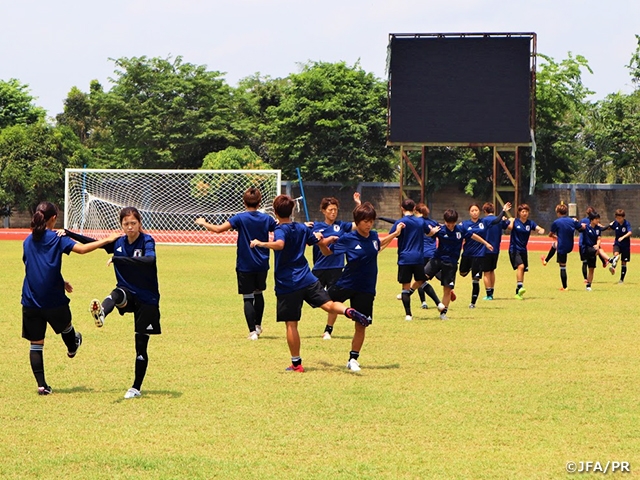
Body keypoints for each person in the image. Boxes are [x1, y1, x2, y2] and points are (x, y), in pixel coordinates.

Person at [249, 195, 371, 373]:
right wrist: (329, 240)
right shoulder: (301, 227)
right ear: (292, 211)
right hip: (307, 277)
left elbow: (280, 244)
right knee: (329, 305)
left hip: (288, 283)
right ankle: (348, 311)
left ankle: (296, 364)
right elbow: (319, 241)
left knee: (291, 324)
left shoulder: (280, 229)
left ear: (275, 212)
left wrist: (262, 243)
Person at [21, 201, 119, 395]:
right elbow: (82, 249)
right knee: (66, 326)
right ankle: (73, 345)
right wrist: (108, 240)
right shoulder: (57, 238)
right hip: (53, 299)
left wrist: (61, 280)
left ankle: (41, 386)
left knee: (36, 343)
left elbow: (34, 267)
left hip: (30, 299)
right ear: (54, 218)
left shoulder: (27, 240)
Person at [85, 206, 162, 399]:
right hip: (128, 293)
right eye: (126, 224)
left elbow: (149, 261)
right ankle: (102, 312)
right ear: (121, 225)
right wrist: (67, 234)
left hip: (147, 298)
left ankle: (136, 387)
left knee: (141, 344)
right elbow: (92, 243)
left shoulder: (147, 240)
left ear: (139, 224)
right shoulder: (119, 242)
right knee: (117, 293)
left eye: (133, 223)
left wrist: (119, 260)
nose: (130, 227)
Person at [317, 202, 403, 371]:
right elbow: (328, 251)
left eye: (371, 221)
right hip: (347, 283)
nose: (369, 224)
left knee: (361, 325)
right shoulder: (348, 238)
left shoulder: (373, 236)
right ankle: (347, 312)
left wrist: (395, 234)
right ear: (357, 221)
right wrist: (321, 243)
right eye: (365, 221)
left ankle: (353, 359)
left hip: (367, 288)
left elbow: (378, 246)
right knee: (325, 303)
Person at [195, 187, 277, 340]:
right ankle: (258, 326)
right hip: (262, 263)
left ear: (243, 202)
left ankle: (252, 332)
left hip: (245, 264)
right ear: (260, 202)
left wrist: (203, 222)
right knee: (259, 294)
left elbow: (219, 229)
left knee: (247, 297)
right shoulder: (266, 219)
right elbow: (280, 227)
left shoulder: (240, 218)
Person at [425, 209, 494, 320]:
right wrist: (431, 232)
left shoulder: (460, 229)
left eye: (452, 223)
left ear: (456, 221)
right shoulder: (440, 229)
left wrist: (485, 243)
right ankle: (408, 293)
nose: (450, 225)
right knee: (421, 278)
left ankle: (443, 314)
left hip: (451, 263)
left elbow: (473, 235)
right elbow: (426, 231)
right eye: (448, 223)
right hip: (437, 260)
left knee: (447, 289)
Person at [309, 193, 361, 340]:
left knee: (334, 300)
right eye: (330, 209)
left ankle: (328, 330)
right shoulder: (316, 226)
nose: (333, 212)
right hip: (319, 268)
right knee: (311, 298)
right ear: (323, 211)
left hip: (337, 268)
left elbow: (359, 223)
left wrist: (358, 204)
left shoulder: (342, 226)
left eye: (335, 210)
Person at [389, 199, 432, 321]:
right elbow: (429, 232)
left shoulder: (400, 222)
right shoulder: (420, 222)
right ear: (414, 209)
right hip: (418, 258)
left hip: (405, 258)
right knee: (422, 280)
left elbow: (393, 235)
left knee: (405, 287)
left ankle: (408, 314)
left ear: (402, 208)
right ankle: (438, 304)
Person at [502, 203, 545, 299]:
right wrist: (509, 220)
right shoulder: (515, 221)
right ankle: (520, 287)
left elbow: (539, 228)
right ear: (519, 212)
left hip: (523, 250)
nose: (524, 213)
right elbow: (509, 227)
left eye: (526, 211)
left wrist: (541, 230)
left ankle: (518, 292)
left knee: (523, 270)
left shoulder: (530, 223)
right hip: (514, 249)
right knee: (520, 266)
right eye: (522, 211)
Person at [548, 203, 585, 291]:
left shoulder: (556, 222)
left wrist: (555, 236)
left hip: (562, 246)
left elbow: (550, 234)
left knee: (562, 266)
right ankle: (546, 260)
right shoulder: (572, 221)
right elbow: (581, 228)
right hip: (570, 246)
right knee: (555, 246)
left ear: (557, 212)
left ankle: (565, 287)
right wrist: (577, 222)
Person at [414, 203, 443, 310]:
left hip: (420, 253)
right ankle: (447, 285)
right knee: (435, 273)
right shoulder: (433, 222)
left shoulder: (417, 222)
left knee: (420, 278)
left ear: (417, 211)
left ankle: (424, 302)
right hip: (432, 253)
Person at [459, 203, 488, 309]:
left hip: (479, 255)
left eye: (476, 210)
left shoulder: (484, 223)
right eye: (472, 210)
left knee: (475, 279)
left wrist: (503, 211)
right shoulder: (464, 224)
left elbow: (496, 221)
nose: (474, 212)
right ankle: (469, 268)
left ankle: (473, 303)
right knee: (462, 273)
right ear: (469, 212)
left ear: (479, 211)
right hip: (467, 254)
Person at [481, 202, 510, 300]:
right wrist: (505, 219)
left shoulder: (484, 220)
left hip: (486, 249)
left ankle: (489, 294)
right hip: (496, 249)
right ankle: (492, 291)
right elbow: (506, 225)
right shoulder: (498, 220)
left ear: (485, 211)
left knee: (486, 272)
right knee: (492, 271)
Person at [580, 211, 611, 291]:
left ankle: (588, 285)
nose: (598, 221)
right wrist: (575, 221)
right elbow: (576, 227)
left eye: (598, 219)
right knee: (599, 250)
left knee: (591, 269)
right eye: (596, 219)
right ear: (592, 220)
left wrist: (597, 244)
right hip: (587, 249)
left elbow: (599, 238)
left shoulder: (598, 228)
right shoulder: (586, 227)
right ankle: (610, 260)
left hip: (594, 249)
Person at [608, 208, 632, 283]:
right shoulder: (615, 223)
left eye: (620, 218)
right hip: (617, 243)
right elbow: (609, 228)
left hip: (625, 245)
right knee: (616, 255)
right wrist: (607, 225)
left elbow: (630, 232)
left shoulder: (626, 223)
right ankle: (613, 266)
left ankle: (621, 279)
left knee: (623, 262)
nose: (618, 219)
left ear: (623, 217)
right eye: (617, 218)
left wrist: (623, 237)